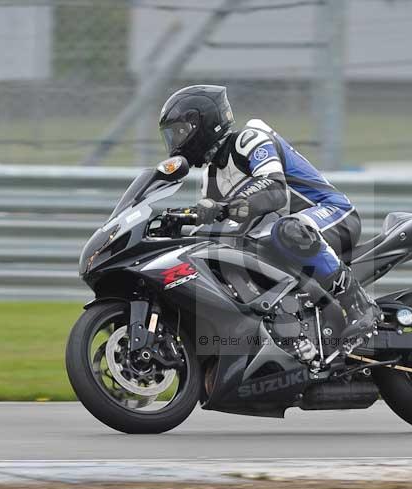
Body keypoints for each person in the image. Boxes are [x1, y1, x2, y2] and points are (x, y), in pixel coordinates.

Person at [158, 84, 376, 340]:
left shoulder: (248, 140)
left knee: (289, 230)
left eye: (180, 132)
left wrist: (224, 207)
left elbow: (274, 189)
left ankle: (358, 303)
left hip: (330, 213)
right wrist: (178, 227)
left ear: (203, 124)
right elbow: (213, 230)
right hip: (281, 237)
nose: (176, 142)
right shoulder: (211, 176)